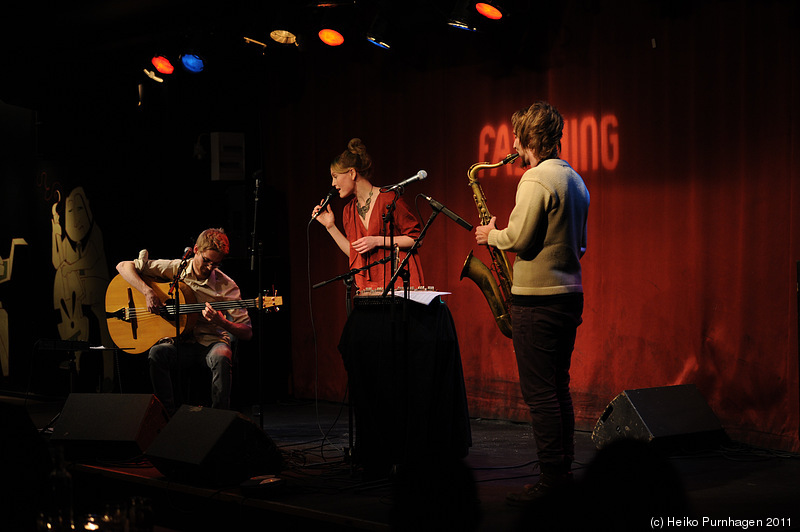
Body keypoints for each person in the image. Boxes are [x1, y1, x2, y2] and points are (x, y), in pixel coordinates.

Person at [475, 101, 590, 505]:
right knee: (558, 390)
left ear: (529, 139)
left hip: (537, 303)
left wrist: (491, 235)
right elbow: (580, 245)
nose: (513, 145)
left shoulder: (535, 179)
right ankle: (562, 473)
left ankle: (551, 482)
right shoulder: (575, 180)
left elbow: (519, 240)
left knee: (540, 395)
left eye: (518, 137)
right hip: (568, 298)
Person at [116, 228, 252, 415]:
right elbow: (123, 266)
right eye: (206, 261)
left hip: (211, 343)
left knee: (222, 356)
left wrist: (223, 323)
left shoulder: (227, 286)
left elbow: (247, 331)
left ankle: (219, 420)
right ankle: (166, 417)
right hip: (180, 343)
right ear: (196, 249)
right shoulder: (176, 268)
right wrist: (147, 292)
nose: (210, 267)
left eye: (216, 264)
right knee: (157, 353)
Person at [312, 138, 424, 291]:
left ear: (351, 173)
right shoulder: (349, 211)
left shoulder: (389, 198)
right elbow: (355, 253)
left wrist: (377, 241)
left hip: (399, 283)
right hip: (370, 287)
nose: (333, 183)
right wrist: (330, 227)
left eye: (335, 176)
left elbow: (416, 239)